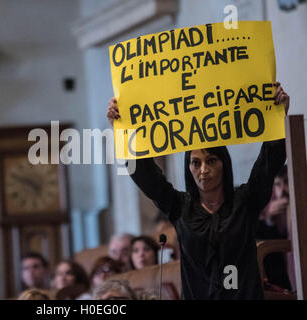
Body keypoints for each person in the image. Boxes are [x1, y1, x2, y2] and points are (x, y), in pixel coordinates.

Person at [106, 82, 290, 299]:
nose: (204, 170)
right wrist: (123, 129)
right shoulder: (179, 206)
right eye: (196, 163)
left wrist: (279, 114)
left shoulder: (245, 201)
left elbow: (269, 164)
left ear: (224, 164)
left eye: (211, 160)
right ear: (189, 168)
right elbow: (145, 175)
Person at [257, 165, 292, 290]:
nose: (282, 189)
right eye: (277, 184)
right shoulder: (267, 207)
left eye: (287, 182)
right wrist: (269, 219)